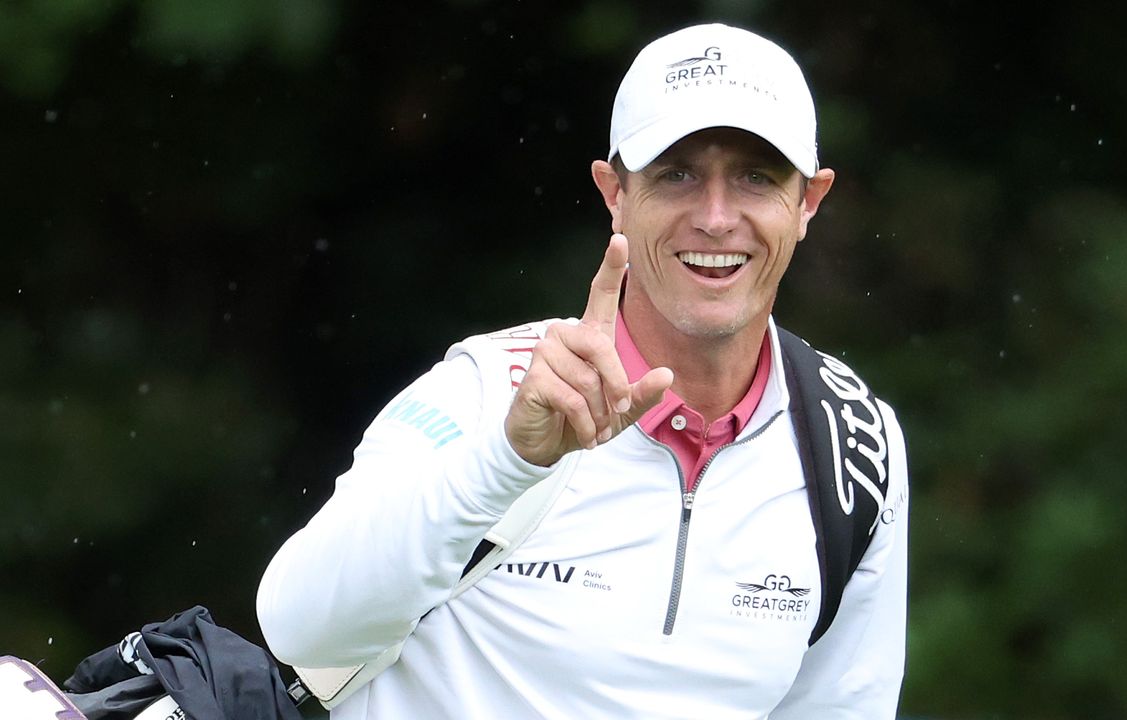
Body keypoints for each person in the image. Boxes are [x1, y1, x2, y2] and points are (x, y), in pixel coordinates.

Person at [257, 23, 909, 719]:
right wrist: (507, 461)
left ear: (808, 201)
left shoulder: (854, 439)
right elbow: (297, 627)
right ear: (614, 193)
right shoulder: (486, 391)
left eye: (756, 176)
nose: (717, 218)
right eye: (676, 174)